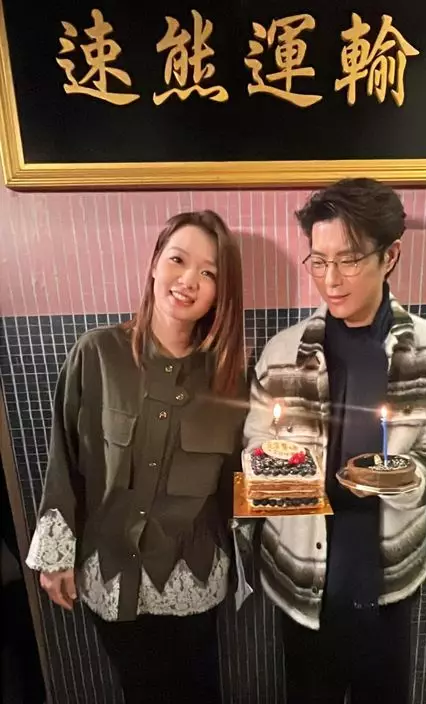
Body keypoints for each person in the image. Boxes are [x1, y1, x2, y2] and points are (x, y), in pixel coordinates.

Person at [242, 178, 426, 703]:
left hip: (387, 574)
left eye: (347, 260)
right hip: (301, 573)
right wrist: (276, 472)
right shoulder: (282, 353)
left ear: (390, 256)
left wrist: (406, 475)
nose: (331, 279)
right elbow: (255, 444)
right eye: (318, 261)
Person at [27, 210, 246, 704]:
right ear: (154, 263)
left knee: (200, 693)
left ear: (220, 292)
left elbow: (240, 482)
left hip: (193, 576)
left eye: (209, 273)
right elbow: (64, 460)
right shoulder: (96, 355)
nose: (189, 281)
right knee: (140, 691)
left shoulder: (230, 378)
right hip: (109, 572)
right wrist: (56, 557)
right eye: (178, 260)